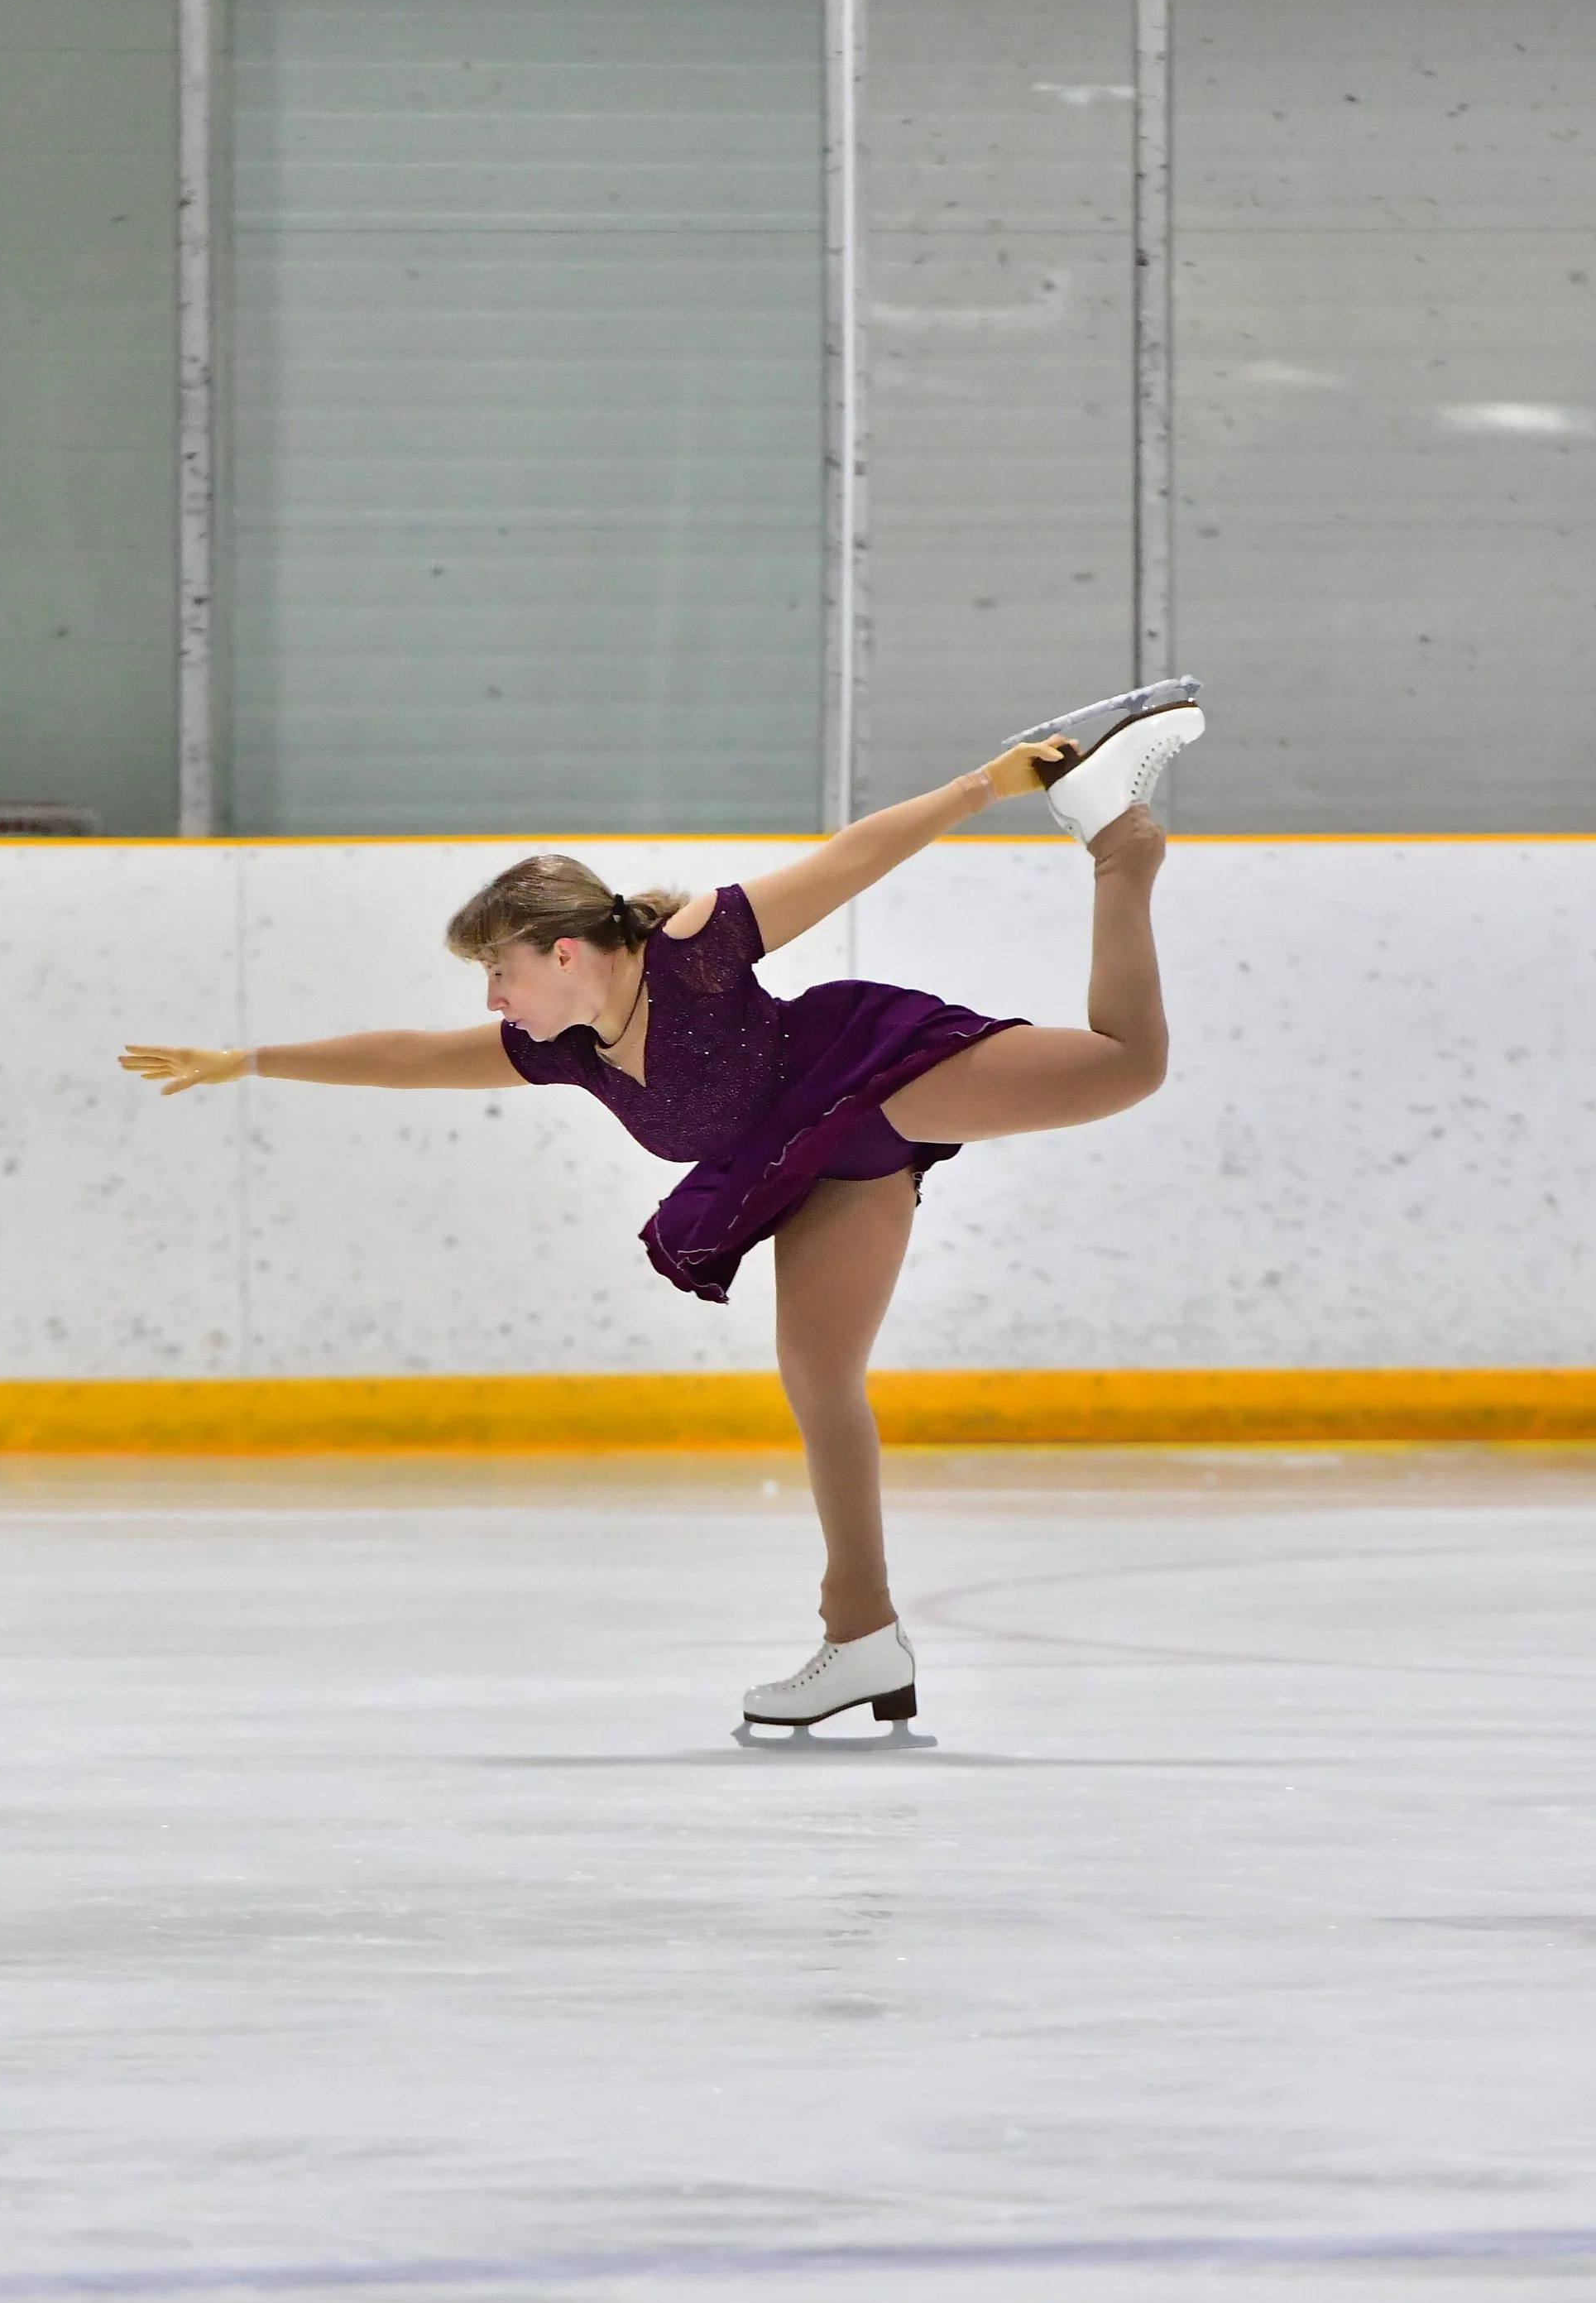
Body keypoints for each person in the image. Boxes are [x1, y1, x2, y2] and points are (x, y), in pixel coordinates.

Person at [121, 683, 1204, 1739]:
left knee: (1125, 1067)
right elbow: (412, 1057)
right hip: (814, 1168)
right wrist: (252, 1059)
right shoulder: (569, 1054)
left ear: (561, 951)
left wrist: (987, 783)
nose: (492, 1002)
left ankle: (1118, 841)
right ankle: (862, 1632)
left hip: (863, 1074)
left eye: (496, 974)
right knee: (821, 1379)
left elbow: (847, 861)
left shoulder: (693, 949)